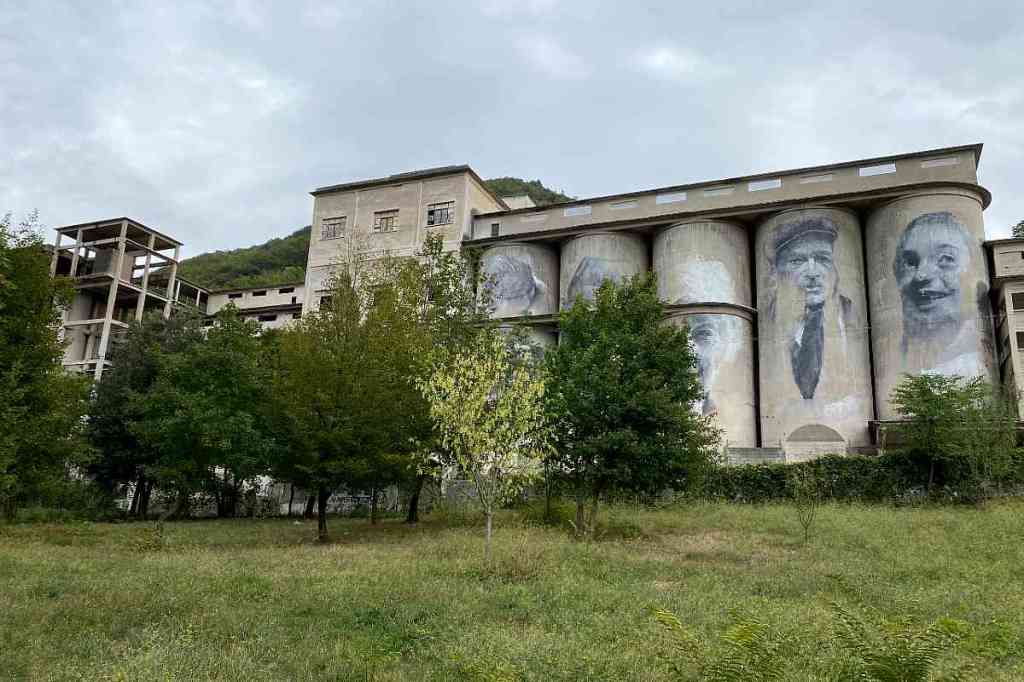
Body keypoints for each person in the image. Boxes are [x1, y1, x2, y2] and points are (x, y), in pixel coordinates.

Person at [893, 211, 989, 377]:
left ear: (974, 272)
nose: (921, 275)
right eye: (910, 262)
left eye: (945, 258)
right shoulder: (896, 358)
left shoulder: (976, 366)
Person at [767, 216, 854, 400]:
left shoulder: (852, 315)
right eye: (798, 261)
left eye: (822, 259)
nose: (813, 272)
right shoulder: (766, 321)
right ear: (776, 271)